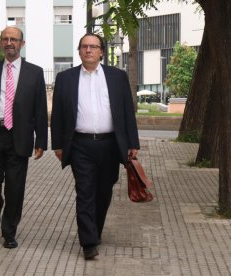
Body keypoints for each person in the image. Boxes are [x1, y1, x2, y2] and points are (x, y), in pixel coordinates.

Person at [50, 33, 140, 260]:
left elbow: (127, 111)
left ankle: (95, 229)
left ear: (102, 52)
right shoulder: (66, 78)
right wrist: (58, 145)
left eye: (93, 47)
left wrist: (133, 142)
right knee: (85, 191)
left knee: (104, 191)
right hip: (80, 145)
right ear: (79, 51)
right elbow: (58, 115)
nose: (88, 50)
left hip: (110, 145)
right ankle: (88, 242)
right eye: (84, 46)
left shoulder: (117, 77)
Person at [0, 26, 48, 249]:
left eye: (13, 39)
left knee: (15, 187)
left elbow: (40, 109)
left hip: (19, 136)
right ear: (0, 44)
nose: (9, 43)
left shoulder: (35, 72)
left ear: (22, 44)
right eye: (5, 39)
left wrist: (41, 141)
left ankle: (9, 232)